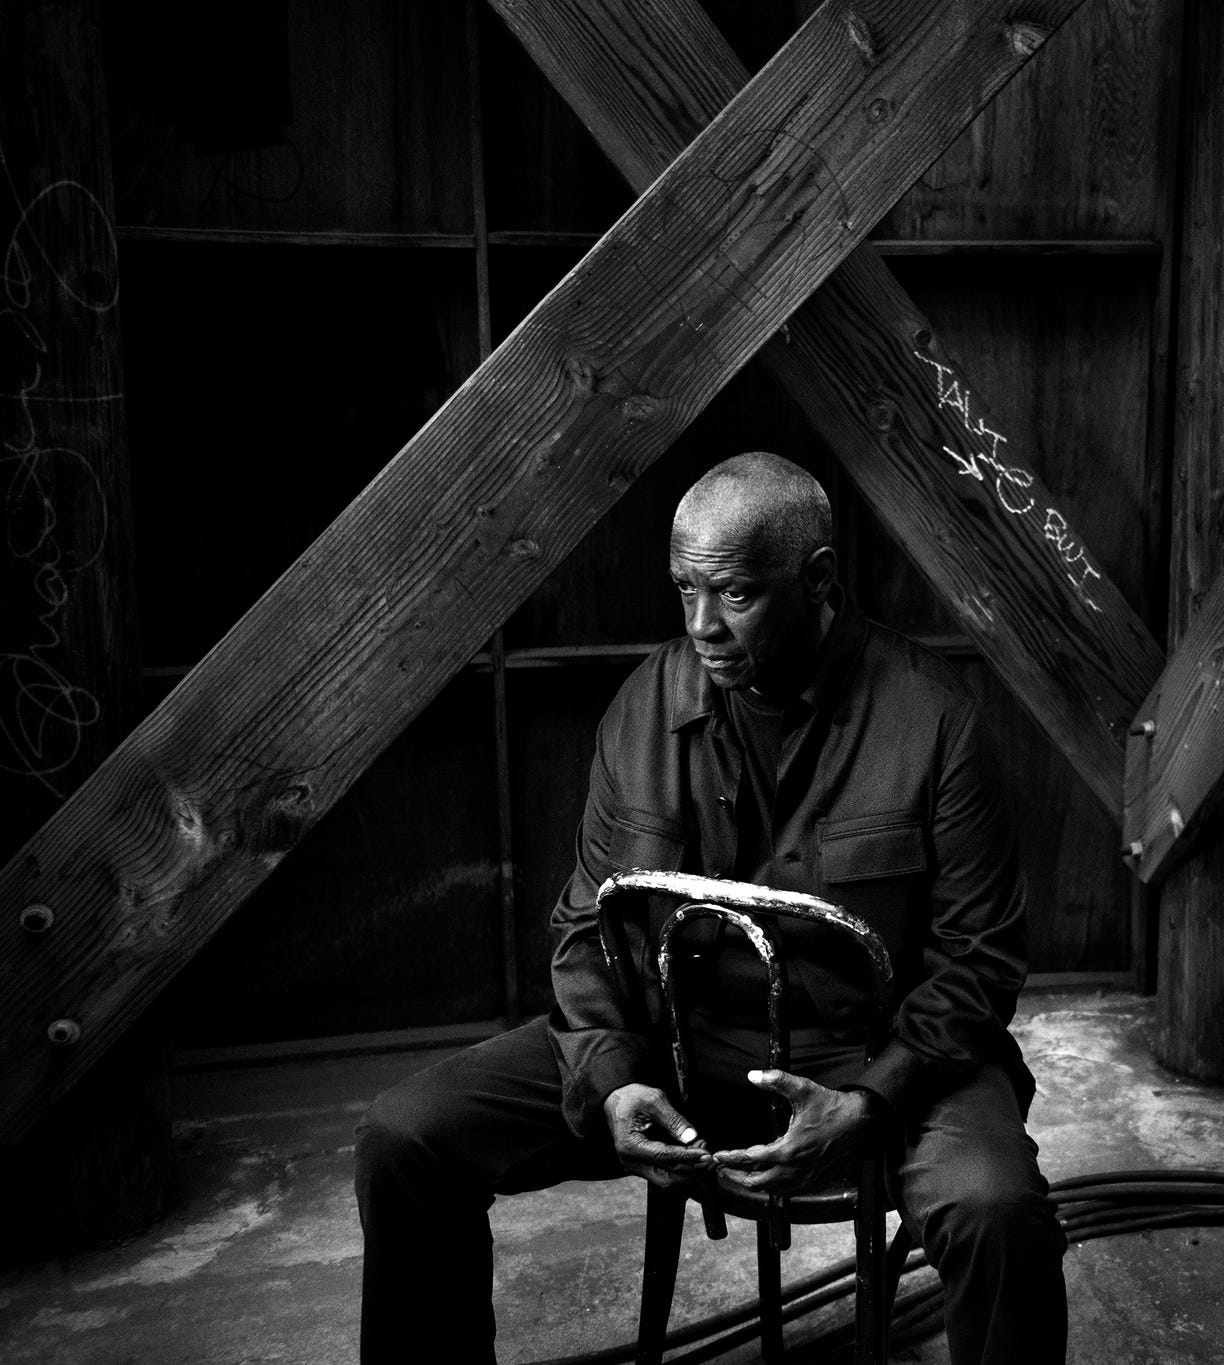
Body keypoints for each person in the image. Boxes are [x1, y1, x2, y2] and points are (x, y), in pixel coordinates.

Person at [354, 452, 1067, 1363]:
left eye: (733, 594)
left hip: (873, 1056)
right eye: (684, 589)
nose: (701, 625)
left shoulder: (935, 721)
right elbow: (586, 921)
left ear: (817, 579)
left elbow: (981, 959)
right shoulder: (644, 706)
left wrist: (869, 1100)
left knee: (998, 1210)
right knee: (405, 1135)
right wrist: (610, 1078)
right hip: (680, 1046)